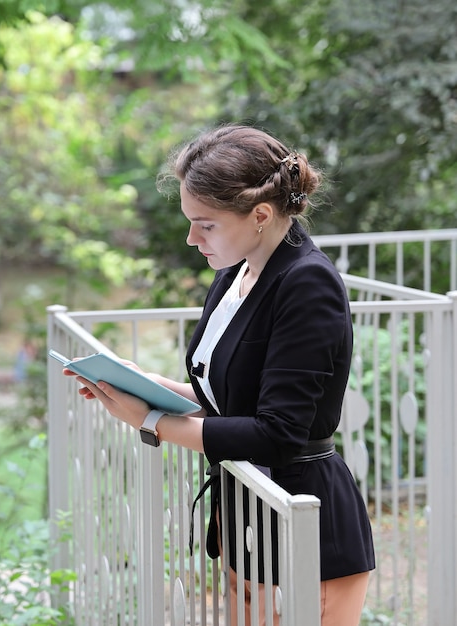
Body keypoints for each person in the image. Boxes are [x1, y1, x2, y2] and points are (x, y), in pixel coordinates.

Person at [62, 123, 375, 625]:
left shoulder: (306, 282)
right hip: (247, 510)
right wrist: (138, 380)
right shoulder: (237, 270)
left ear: (260, 215)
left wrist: (151, 422)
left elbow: (278, 432)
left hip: (305, 523)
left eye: (205, 225)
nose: (191, 238)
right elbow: (229, 397)